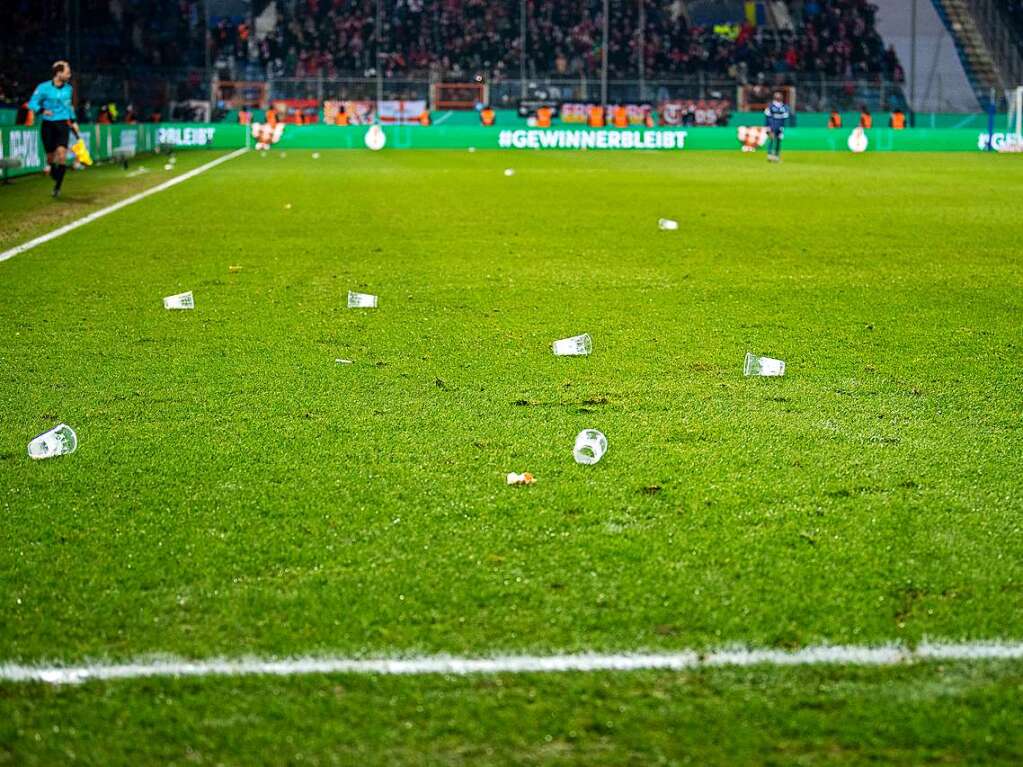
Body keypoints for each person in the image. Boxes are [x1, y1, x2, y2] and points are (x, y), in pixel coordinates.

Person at [27, 61, 80, 198]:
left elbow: (69, 107)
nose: (69, 75)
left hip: (62, 124)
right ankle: (53, 171)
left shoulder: (69, 89)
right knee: (50, 157)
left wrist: (73, 121)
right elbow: (32, 102)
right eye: (67, 72)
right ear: (58, 73)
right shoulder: (43, 87)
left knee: (62, 155)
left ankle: (57, 187)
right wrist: (42, 110)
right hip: (48, 125)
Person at [763, 90, 790, 162]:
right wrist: (767, 127)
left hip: (780, 127)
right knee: (771, 139)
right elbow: (767, 117)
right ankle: (769, 155)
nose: (778, 97)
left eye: (779, 96)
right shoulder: (771, 106)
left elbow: (785, 117)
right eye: (777, 96)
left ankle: (776, 155)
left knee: (778, 140)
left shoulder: (784, 107)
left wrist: (783, 127)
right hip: (772, 126)